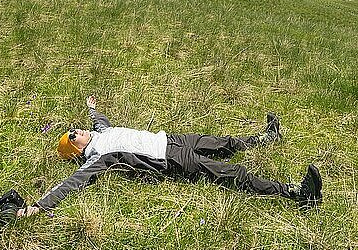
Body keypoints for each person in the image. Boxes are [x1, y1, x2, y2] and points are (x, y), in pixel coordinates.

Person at [17, 95, 322, 218]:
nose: (76, 130)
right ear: (76, 150)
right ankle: (297, 194)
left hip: (168, 138)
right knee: (234, 174)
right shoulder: (97, 156)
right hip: (168, 159)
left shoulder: (99, 133)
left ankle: (266, 138)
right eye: (72, 135)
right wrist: (37, 208)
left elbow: (98, 121)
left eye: (74, 129)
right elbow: (72, 183)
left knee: (220, 143)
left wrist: (91, 106)